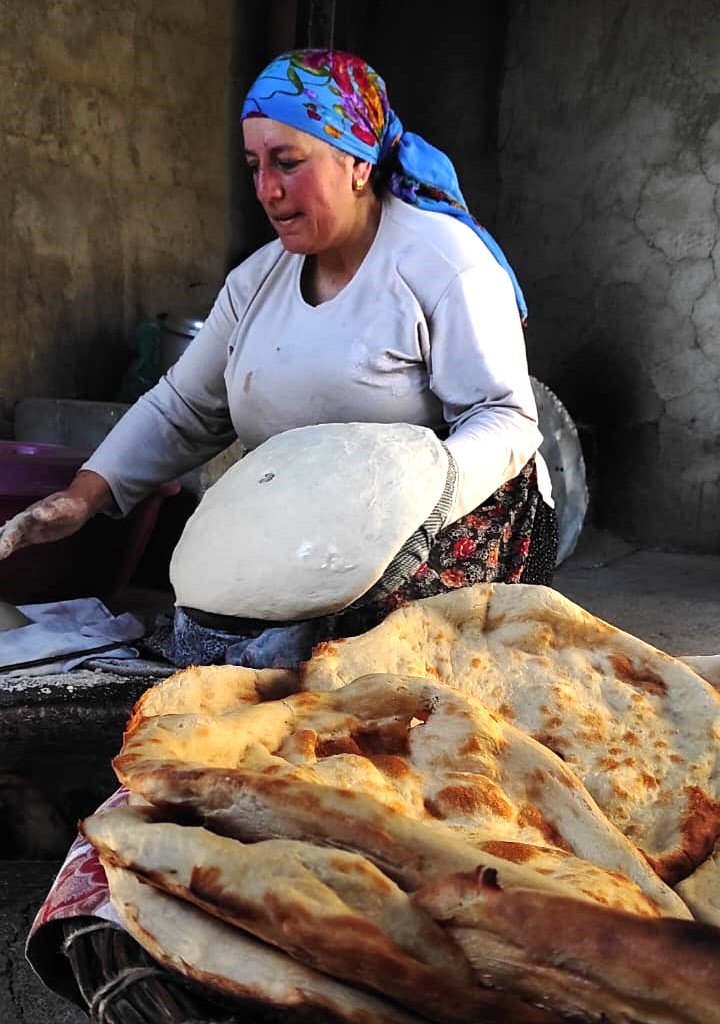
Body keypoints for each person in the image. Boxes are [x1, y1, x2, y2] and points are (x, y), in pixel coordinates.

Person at [0, 49, 557, 664]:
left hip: (443, 524)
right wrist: (83, 496)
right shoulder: (255, 282)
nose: (268, 190)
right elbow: (183, 406)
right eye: (254, 165)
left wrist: (415, 503)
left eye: (289, 163)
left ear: (356, 162)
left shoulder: (443, 263)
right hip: (305, 521)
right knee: (210, 633)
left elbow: (504, 419)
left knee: (341, 663)